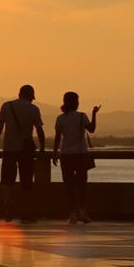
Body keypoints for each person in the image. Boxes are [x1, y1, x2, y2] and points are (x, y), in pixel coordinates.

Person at [0, 85, 45, 223]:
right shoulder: (33, 109)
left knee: (7, 180)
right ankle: (25, 213)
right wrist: (42, 148)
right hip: (26, 151)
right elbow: (39, 130)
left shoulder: (7, 106)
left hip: (9, 149)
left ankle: (9, 204)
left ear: (19, 94)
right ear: (31, 96)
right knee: (26, 182)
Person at [53, 92, 100, 224]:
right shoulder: (81, 116)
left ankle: (72, 213)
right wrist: (94, 114)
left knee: (69, 185)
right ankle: (83, 213)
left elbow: (57, 138)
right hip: (80, 155)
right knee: (82, 185)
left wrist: (54, 153)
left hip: (65, 155)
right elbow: (92, 129)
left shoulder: (60, 118)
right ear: (76, 103)